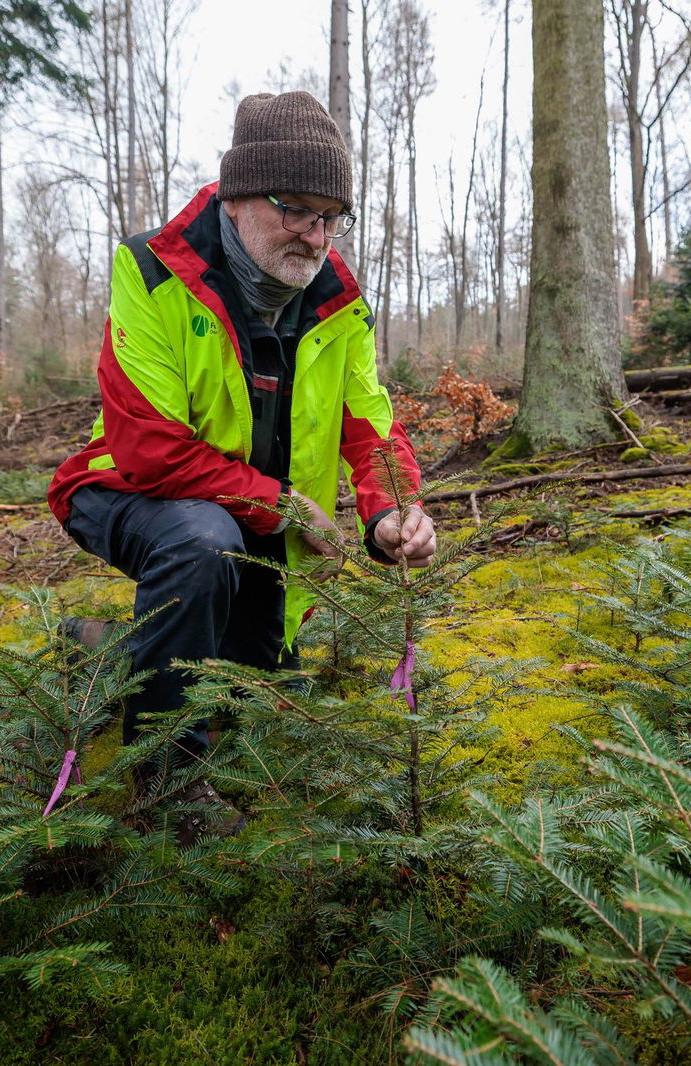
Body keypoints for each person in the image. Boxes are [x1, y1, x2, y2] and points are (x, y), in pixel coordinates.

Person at [47, 91, 436, 834]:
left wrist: (392, 512)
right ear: (236, 197)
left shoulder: (338, 301)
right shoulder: (153, 270)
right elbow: (149, 449)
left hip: (249, 513)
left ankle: (104, 648)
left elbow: (371, 426)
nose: (315, 236)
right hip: (129, 490)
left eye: (330, 216)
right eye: (294, 209)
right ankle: (167, 787)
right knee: (201, 543)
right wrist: (286, 505)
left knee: (254, 689)